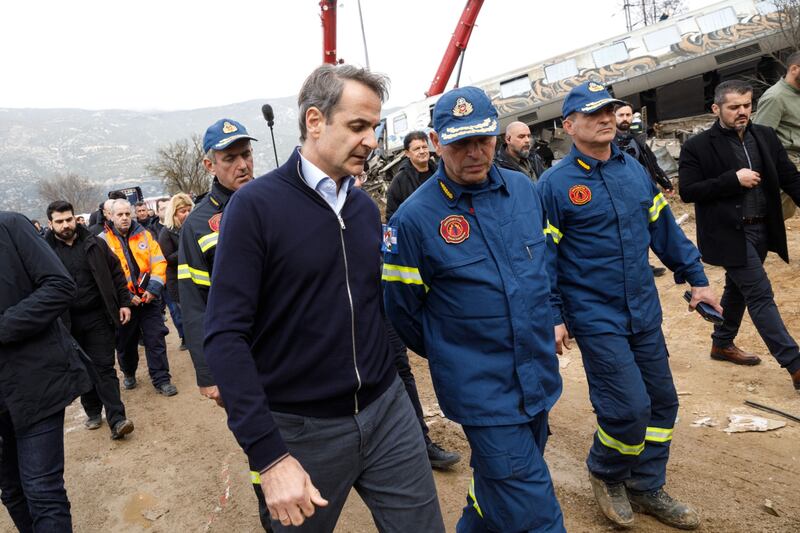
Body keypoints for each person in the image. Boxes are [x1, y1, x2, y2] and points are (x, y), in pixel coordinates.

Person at [204, 64, 444, 532]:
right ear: (315, 121)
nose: (372, 141)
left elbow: (373, 308)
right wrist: (269, 455)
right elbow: (224, 335)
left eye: (374, 127)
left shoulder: (361, 207)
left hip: (386, 413)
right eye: (358, 126)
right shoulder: (255, 208)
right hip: (301, 431)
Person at [538, 81, 722, 530]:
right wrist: (553, 316)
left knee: (662, 403)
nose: (606, 118)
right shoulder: (553, 185)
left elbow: (664, 230)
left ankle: (646, 483)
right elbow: (545, 258)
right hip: (595, 315)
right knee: (627, 408)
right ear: (569, 124)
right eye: (593, 112)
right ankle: (607, 471)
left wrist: (697, 278)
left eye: (610, 110)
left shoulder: (633, 170)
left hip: (642, 308)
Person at [383, 86, 564, 532]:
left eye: (482, 140)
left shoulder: (523, 190)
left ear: (496, 136)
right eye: (460, 142)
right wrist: (454, 350)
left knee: (497, 488)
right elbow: (402, 311)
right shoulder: (413, 218)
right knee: (535, 512)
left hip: (536, 374)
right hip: (481, 390)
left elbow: (541, 268)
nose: (473, 153)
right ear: (437, 141)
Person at [176, 118, 272, 530]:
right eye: (230, 158)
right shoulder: (197, 225)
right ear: (209, 164)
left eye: (246, 155)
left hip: (289, 347)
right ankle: (274, 518)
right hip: (241, 359)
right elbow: (195, 307)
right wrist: (208, 374)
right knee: (262, 448)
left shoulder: (275, 201)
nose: (242, 165)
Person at [679, 80, 800, 393]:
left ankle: (722, 343)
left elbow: (789, 177)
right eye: (734, 107)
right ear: (716, 109)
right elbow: (688, 191)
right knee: (760, 294)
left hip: (762, 228)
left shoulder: (765, 136)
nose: (742, 112)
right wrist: (732, 180)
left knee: (739, 289)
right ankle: (795, 365)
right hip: (728, 233)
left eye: (747, 105)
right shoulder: (698, 146)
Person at [0, 211, 92, 531]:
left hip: (35, 381)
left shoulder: (10, 227)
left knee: (41, 489)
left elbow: (59, 286)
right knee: (12, 491)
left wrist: (4, 326)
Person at [381, 130, 461, 469]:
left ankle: (420, 442)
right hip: (339, 319)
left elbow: (385, 248)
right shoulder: (400, 188)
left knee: (402, 368)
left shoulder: (358, 205)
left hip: (382, 301)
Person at [45, 200, 136, 439]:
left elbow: (117, 272)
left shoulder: (94, 243)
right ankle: (93, 411)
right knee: (82, 369)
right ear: (50, 224)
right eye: (59, 221)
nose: (65, 225)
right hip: (66, 323)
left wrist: (124, 303)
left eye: (68, 219)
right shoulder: (43, 251)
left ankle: (117, 419)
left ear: (75, 218)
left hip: (98, 317)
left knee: (104, 368)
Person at [101, 199, 177, 396]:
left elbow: (159, 262)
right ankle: (128, 371)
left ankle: (161, 379)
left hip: (149, 300)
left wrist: (152, 289)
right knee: (126, 343)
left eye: (127, 214)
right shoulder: (102, 241)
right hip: (124, 305)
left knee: (155, 338)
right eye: (120, 214)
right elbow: (105, 276)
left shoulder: (145, 235)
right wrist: (125, 297)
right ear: (110, 216)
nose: (125, 218)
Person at [614, 102, 673, 277]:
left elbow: (651, 163)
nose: (626, 119)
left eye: (628, 115)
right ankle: (634, 268)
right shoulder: (609, 143)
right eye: (621, 115)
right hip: (623, 196)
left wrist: (665, 183)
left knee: (644, 230)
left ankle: (644, 265)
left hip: (644, 194)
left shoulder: (635, 139)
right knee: (629, 233)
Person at [754, 50, 800, 219]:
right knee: (768, 218)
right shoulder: (775, 97)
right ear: (794, 69)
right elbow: (760, 138)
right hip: (788, 166)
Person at [159, 194, 193, 351]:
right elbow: (167, 258)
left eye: (188, 210)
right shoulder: (166, 233)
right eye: (182, 211)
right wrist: (187, 248)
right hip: (178, 282)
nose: (186, 213)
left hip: (196, 278)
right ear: (174, 213)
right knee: (186, 316)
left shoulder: (193, 226)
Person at [385, 130, 435, 221]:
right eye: (417, 149)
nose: (422, 151)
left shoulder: (439, 172)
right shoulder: (400, 181)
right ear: (407, 153)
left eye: (424, 147)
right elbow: (391, 215)